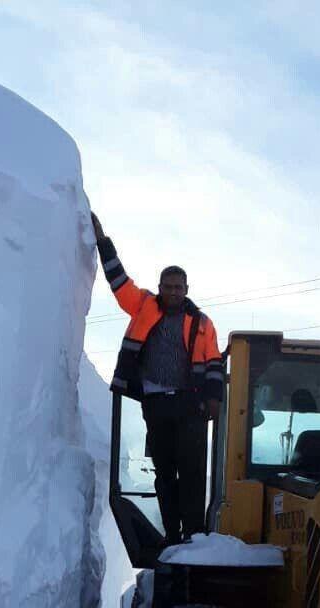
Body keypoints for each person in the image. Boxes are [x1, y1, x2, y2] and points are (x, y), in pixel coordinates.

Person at [91, 211, 224, 545]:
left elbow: (213, 364)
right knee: (164, 472)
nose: (174, 292)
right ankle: (173, 533)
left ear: (187, 289)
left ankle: (194, 535)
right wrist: (103, 242)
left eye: (179, 287)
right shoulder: (144, 305)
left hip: (189, 404)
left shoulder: (202, 323)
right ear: (160, 287)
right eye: (168, 286)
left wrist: (213, 400)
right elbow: (119, 283)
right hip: (155, 403)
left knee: (192, 471)